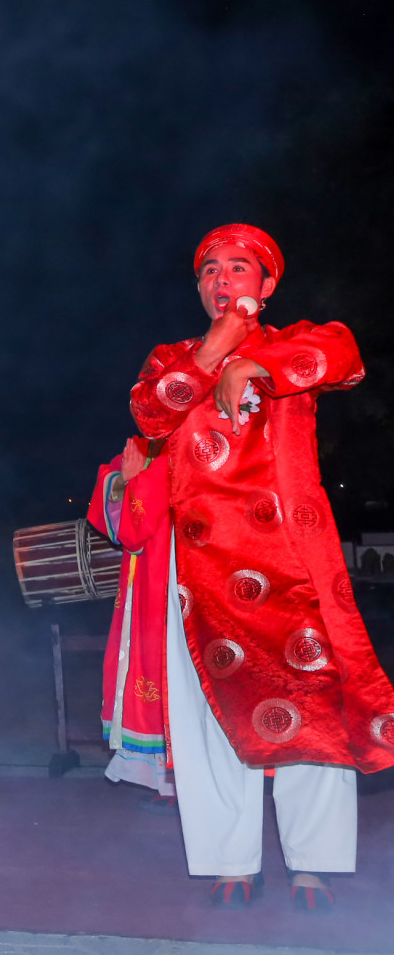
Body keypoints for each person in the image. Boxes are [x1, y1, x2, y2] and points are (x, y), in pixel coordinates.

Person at [130, 224, 391, 910]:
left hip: (293, 565)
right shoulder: (172, 359)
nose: (222, 281)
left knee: (314, 705)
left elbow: (346, 353)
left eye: (238, 269)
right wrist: (216, 352)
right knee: (214, 713)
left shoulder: (296, 342)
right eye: (209, 271)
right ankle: (230, 859)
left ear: (267, 285)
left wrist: (259, 366)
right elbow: (152, 415)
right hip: (206, 570)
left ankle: (316, 864)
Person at [86, 437, 175, 799]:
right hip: (154, 575)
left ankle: (184, 779)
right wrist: (126, 480)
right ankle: (167, 779)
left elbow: (135, 528)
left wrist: (137, 479)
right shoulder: (147, 446)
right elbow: (125, 526)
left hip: (181, 570)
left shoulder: (195, 441)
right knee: (157, 665)